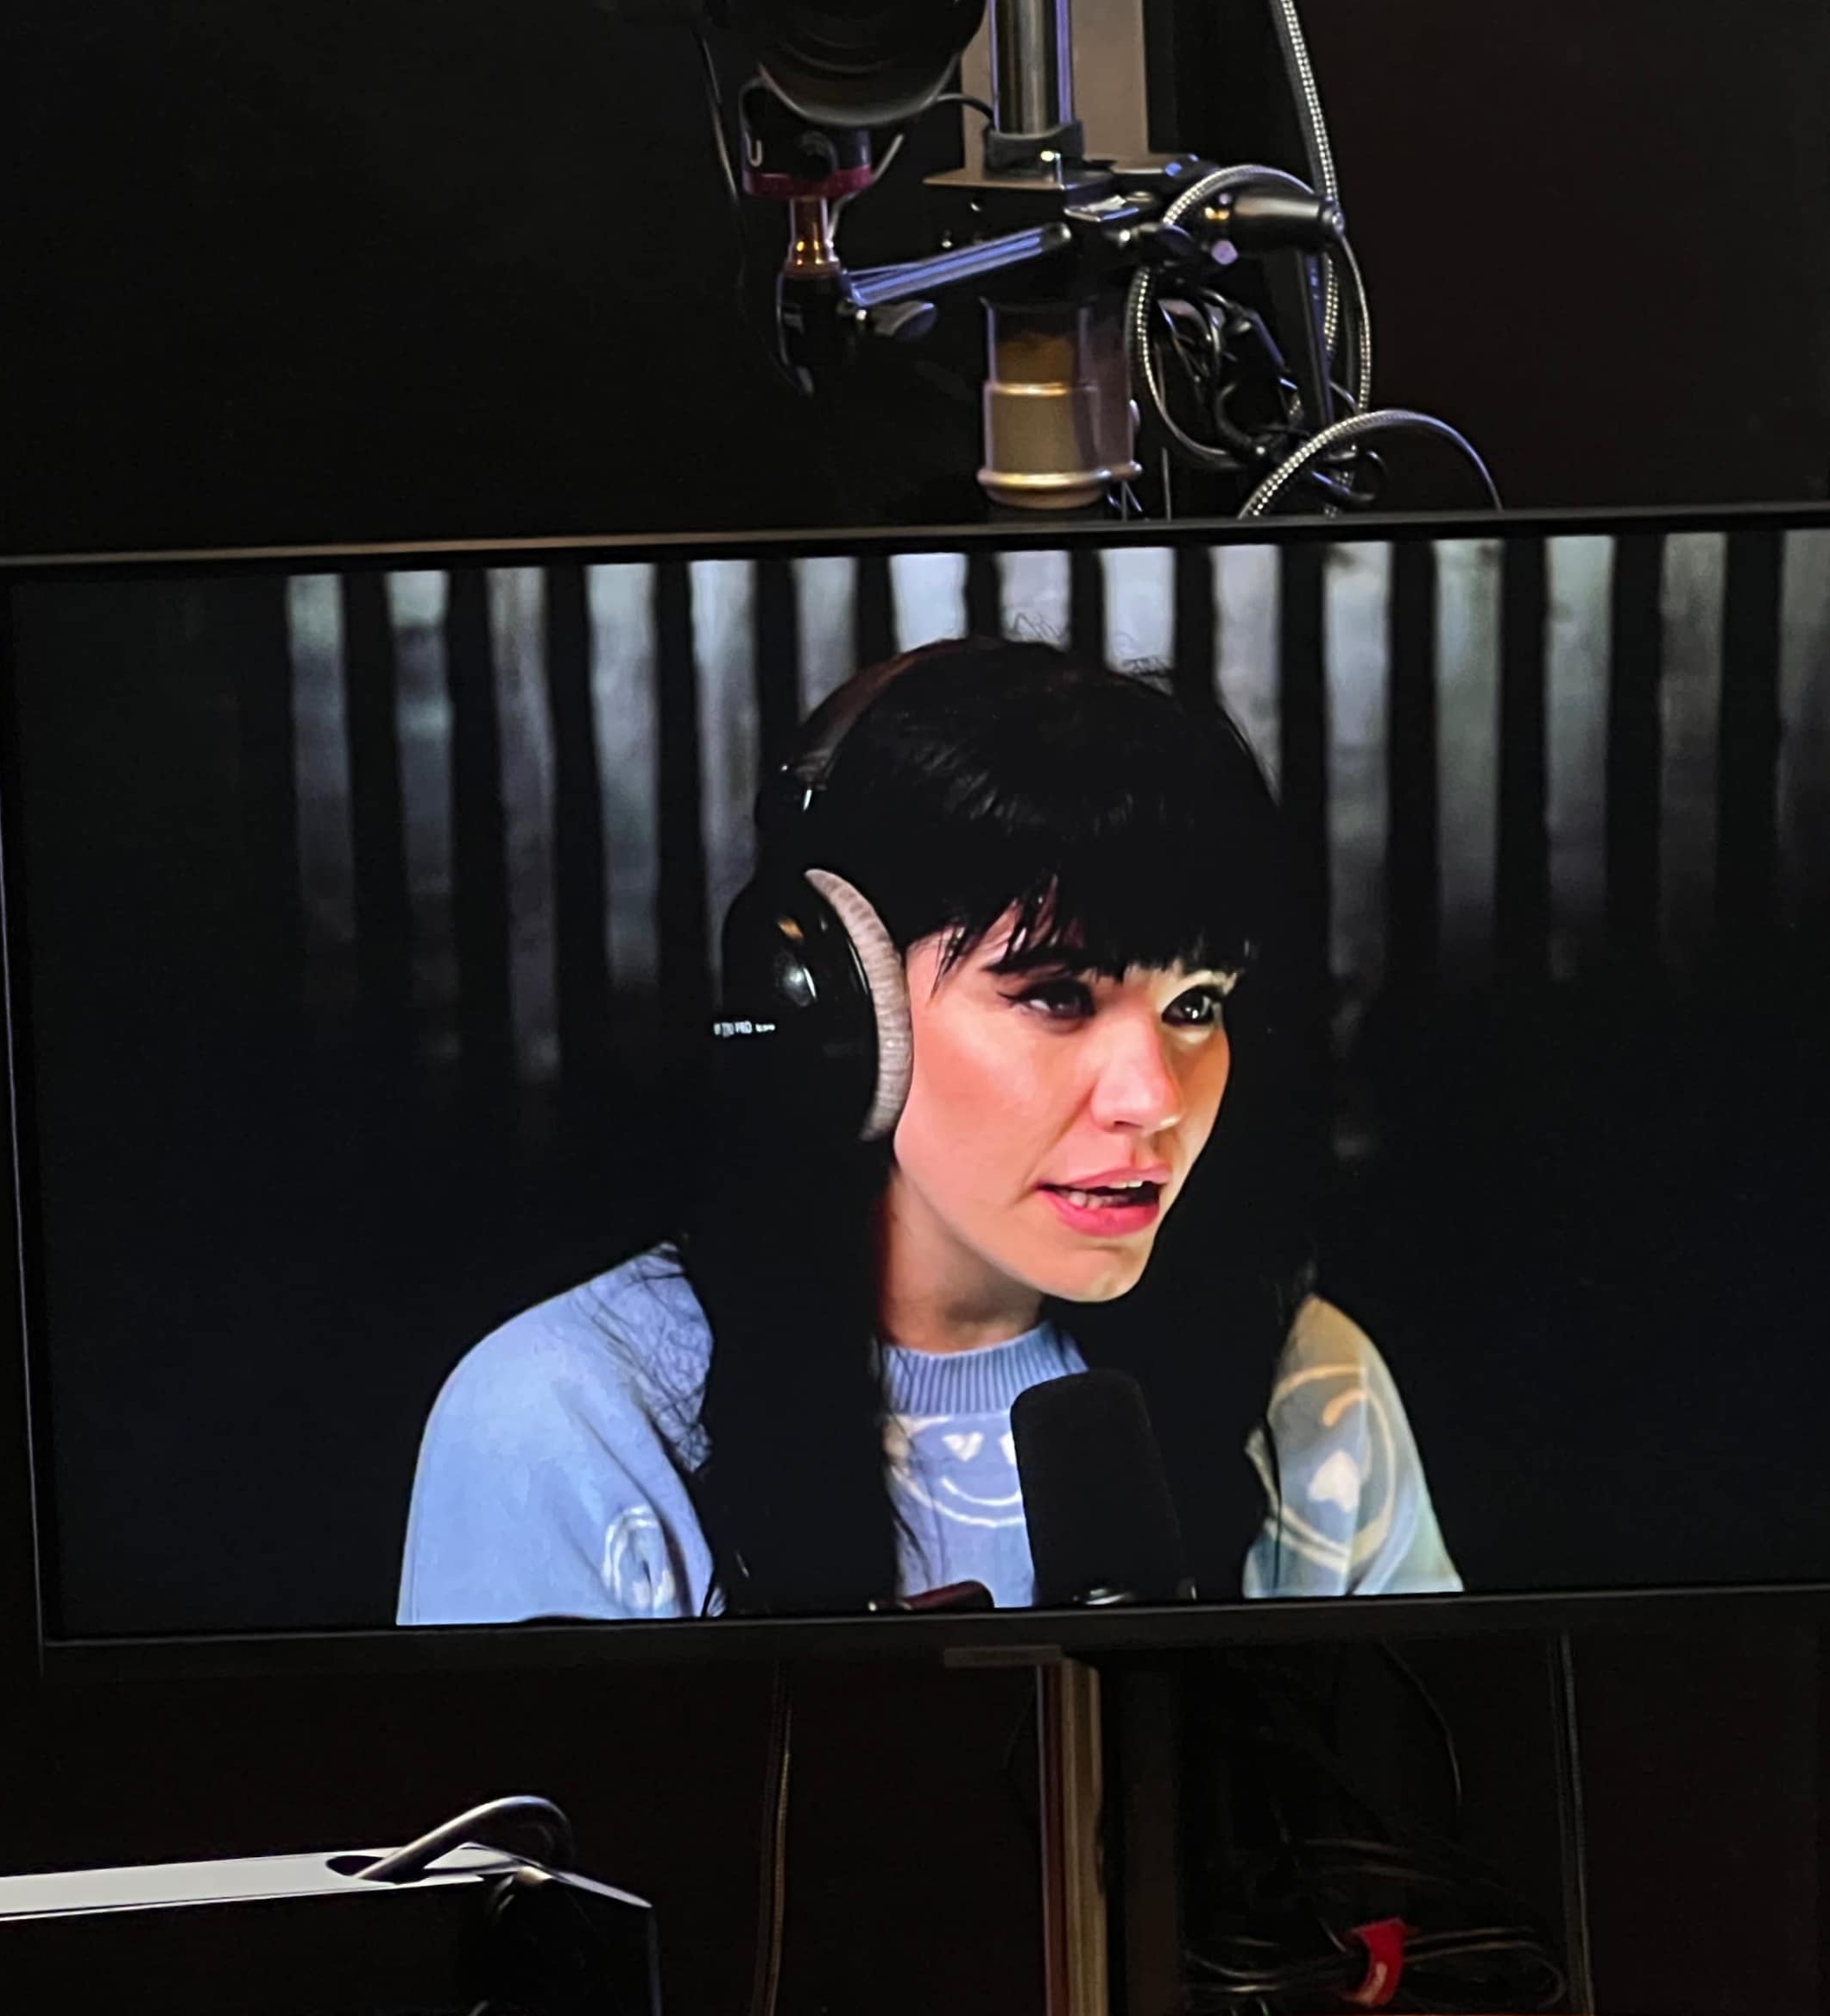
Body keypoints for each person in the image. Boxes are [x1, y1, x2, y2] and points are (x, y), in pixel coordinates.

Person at [398, 638, 1458, 1622]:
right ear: (842, 1012)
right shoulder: (569, 1419)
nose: (1154, 1097)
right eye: (1055, 995)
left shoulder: (1307, 1384)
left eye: (1196, 1006)